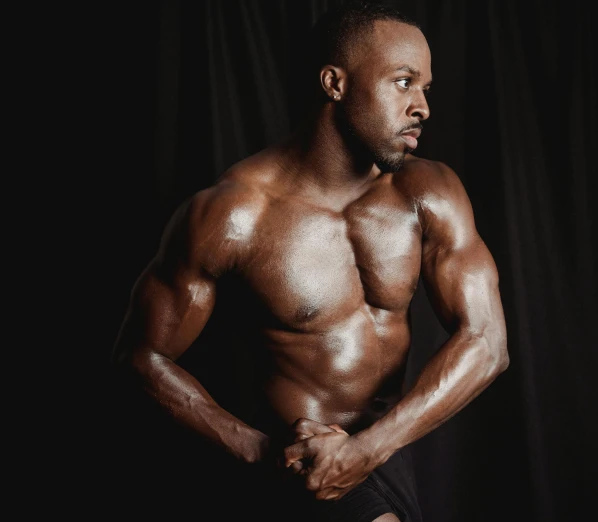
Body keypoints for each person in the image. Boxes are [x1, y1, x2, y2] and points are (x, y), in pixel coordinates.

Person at [110, 2, 508, 521]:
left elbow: (486, 342)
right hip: (298, 468)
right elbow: (140, 356)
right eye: (404, 82)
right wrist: (255, 451)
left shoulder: (428, 192)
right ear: (334, 84)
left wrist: (367, 451)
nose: (422, 108)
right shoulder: (235, 213)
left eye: (425, 88)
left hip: (389, 448)